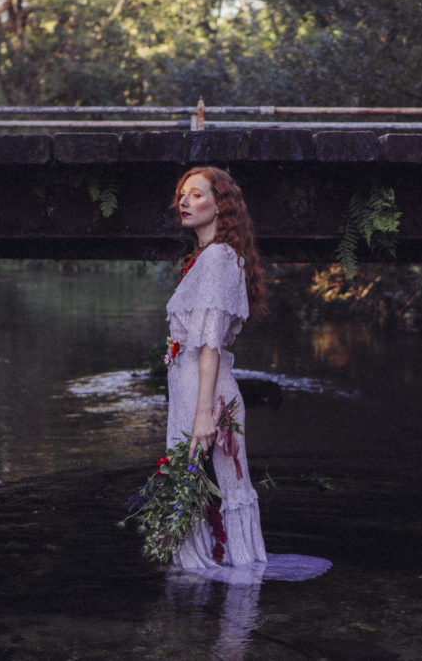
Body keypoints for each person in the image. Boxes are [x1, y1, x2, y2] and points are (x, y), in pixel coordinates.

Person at [164, 166, 268, 570]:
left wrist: (204, 414)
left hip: (208, 397)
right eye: (182, 195)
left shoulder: (221, 259)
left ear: (221, 206)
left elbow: (209, 343)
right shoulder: (205, 258)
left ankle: (236, 596)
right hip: (191, 391)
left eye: (196, 195)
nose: (184, 202)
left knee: (228, 485)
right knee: (192, 485)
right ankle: (201, 576)